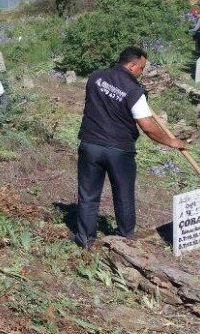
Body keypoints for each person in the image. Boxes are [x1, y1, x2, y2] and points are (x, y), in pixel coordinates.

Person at [74, 46, 186, 249]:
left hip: (90, 145)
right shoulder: (134, 91)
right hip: (119, 150)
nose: (142, 72)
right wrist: (171, 141)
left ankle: (85, 240)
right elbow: (148, 127)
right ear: (132, 65)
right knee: (124, 195)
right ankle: (125, 241)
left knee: (88, 195)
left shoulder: (96, 77)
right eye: (141, 68)